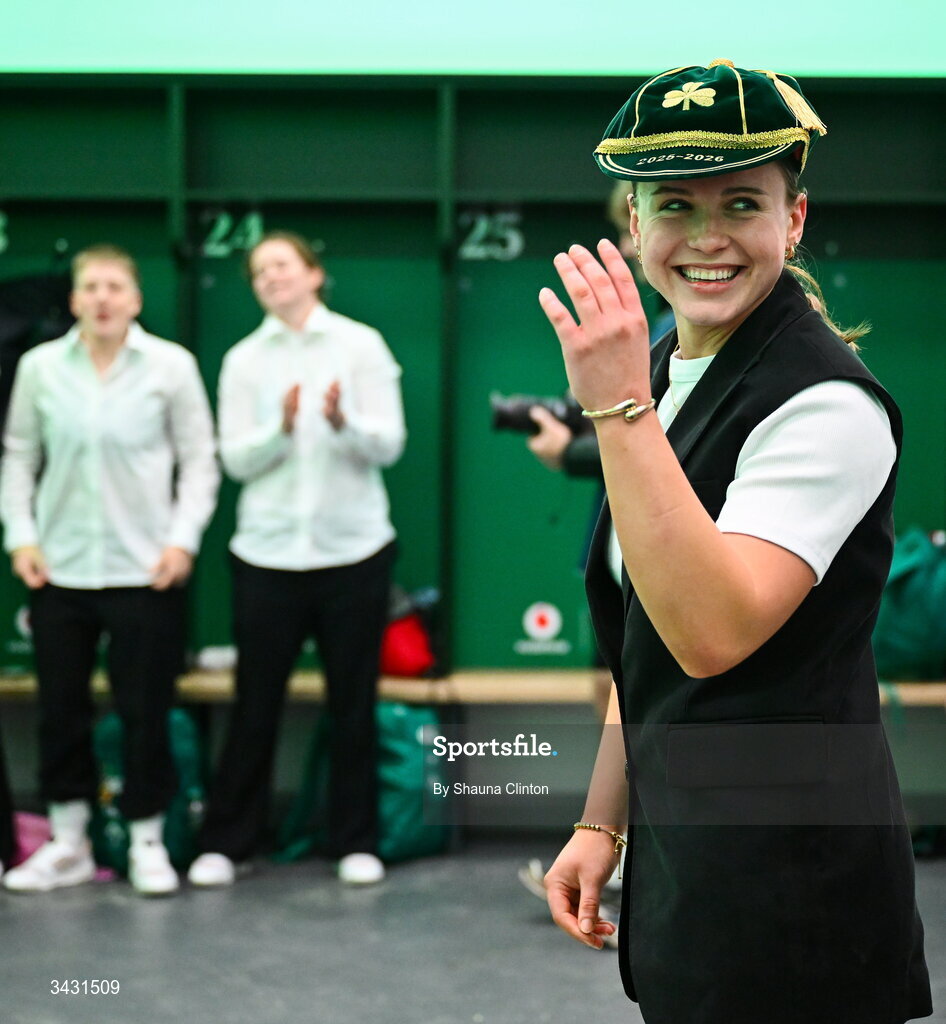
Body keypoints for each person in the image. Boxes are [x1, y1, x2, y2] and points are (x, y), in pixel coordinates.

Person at [540, 61, 932, 1023]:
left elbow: (711, 633)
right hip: (694, 845)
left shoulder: (826, 404)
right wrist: (604, 819)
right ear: (634, 225)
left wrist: (615, 410)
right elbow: (649, 639)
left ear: (792, 221)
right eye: (674, 205)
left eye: (743, 203)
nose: (707, 238)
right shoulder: (669, 364)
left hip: (793, 871)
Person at [188, 230, 405, 888]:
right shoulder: (244, 359)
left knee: (352, 704)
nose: (270, 279)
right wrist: (280, 431)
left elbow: (390, 444)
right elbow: (233, 460)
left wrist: (343, 423)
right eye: (258, 273)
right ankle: (228, 841)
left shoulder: (360, 345)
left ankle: (354, 841)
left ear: (314, 273)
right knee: (255, 704)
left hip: (354, 551)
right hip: (267, 555)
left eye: (281, 266)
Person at [0, 244, 219, 896]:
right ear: (73, 300)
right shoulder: (42, 368)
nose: (101, 298)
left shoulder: (170, 366)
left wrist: (181, 542)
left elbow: (200, 459)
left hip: (144, 570)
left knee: (145, 710)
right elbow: (17, 455)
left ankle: (146, 839)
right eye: (90, 287)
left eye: (114, 287)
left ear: (135, 299)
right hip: (59, 569)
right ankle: (68, 841)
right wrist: (22, 537)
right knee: (61, 711)